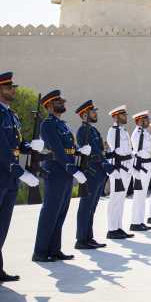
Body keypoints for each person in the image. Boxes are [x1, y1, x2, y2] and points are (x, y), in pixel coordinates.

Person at [33, 90, 90, 262]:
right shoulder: (48, 124)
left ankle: (55, 249)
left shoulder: (63, 124)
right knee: (50, 213)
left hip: (65, 173)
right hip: (56, 172)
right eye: (59, 102)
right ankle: (40, 252)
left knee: (61, 213)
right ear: (49, 106)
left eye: (62, 101)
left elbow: (68, 148)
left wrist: (78, 151)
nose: (63, 104)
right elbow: (57, 150)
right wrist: (72, 169)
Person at [0, 72, 42, 279]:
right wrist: (20, 172)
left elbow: (16, 144)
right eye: (9, 88)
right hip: (2, 175)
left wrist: (29, 146)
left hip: (10, 178)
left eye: (13, 87)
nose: (13, 90)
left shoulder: (12, 115)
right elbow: (2, 148)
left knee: (3, 226)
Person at [75, 100, 112, 249]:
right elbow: (92, 152)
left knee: (92, 207)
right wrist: (104, 162)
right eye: (92, 112)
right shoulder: (83, 131)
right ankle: (81, 239)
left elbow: (99, 149)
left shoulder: (94, 130)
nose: (95, 114)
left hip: (98, 174)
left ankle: (88, 237)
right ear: (84, 115)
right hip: (90, 173)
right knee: (86, 206)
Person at [106, 105, 135, 239]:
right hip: (118, 168)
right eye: (123, 115)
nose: (126, 117)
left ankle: (118, 227)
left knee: (121, 199)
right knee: (115, 199)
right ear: (116, 117)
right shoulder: (113, 131)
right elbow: (115, 151)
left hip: (126, 167)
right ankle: (112, 229)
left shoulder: (124, 132)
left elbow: (128, 149)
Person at [130, 111, 151, 231]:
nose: (149, 121)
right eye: (146, 119)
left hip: (146, 166)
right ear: (140, 121)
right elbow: (139, 151)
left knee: (142, 196)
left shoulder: (144, 133)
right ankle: (135, 223)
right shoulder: (138, 133)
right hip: (141, 167)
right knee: (139, 196)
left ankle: (140, 221)